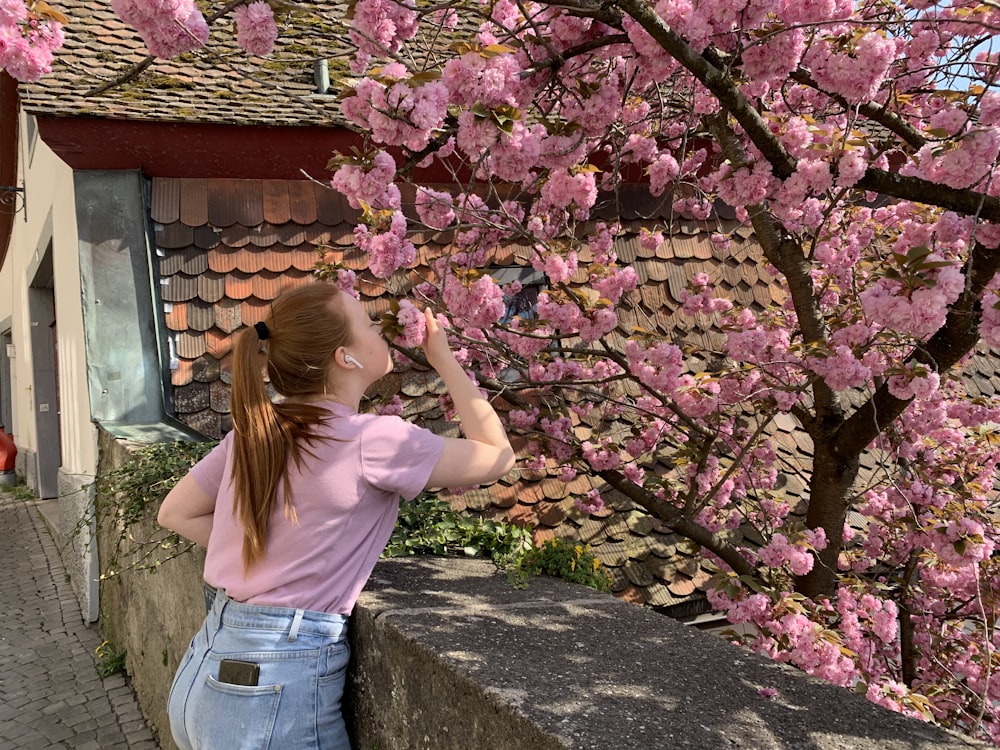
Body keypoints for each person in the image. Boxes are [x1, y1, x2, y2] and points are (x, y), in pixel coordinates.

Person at [157, 282, 515, 750]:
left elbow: (175, 513)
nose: (379, 329)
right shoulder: (373, 439)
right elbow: (497, 456)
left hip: (208, 669)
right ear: (346, 357)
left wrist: (269, 556)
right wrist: (444, 359)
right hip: (272, 688)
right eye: (367, 323)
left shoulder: (254, 434)